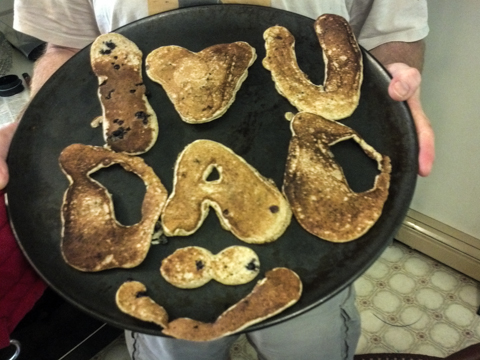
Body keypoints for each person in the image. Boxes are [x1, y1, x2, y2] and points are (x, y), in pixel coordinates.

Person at [1, 1, 435, 359]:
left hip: (311, 242)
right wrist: (27, 132)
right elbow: (66, 47)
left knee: (306, 347)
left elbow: (393, 33)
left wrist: (397, 84)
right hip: (158, 252)